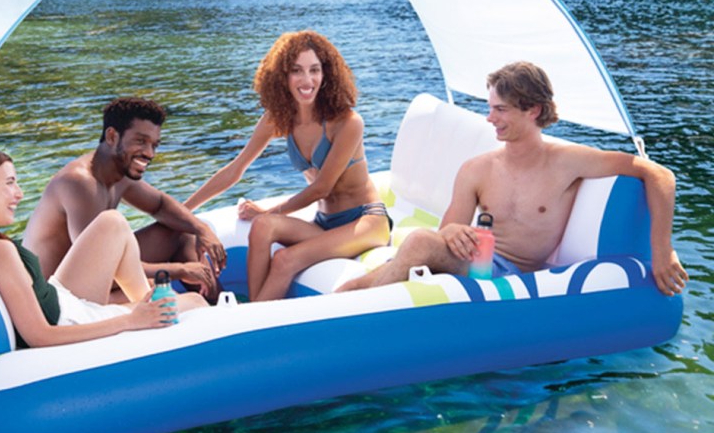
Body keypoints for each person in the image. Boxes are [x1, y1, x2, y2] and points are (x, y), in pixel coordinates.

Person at [337, 61, 688, 297]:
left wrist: (663, 250)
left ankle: (357, 311)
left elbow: (658, 173)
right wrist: (454, 233)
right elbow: (446, 232)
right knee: (392, 261)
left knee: (414, 246)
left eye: (500, 109)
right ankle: (347, 299)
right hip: (473, 260)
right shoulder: (477, 168)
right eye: (490, 108)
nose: (490, 118)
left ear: (532, 110)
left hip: (514, 276)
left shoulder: (568, 162)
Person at [184, 30, 391, 301]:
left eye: (314, 70)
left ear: (326, 74)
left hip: (365, 222)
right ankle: (256, 311)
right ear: (283, 76)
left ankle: (253, 320)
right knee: (262, 227)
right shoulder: (278, 118)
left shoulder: (348, 122)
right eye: (297, 71)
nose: (307, 80)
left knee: (284, 259)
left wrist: (268, 211)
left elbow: (321, 188)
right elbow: (236, 169)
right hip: (323, 223)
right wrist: (183, 212)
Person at [0, 148, 207, 348]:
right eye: (10, 183)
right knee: (196, 301)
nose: (19, 193)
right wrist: (131, 321)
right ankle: (150, 315)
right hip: (69, 318)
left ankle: (149, 305)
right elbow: (40, 336)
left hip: (59, 296)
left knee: (112, 222)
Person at [22, 97, 226, 302]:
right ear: (112, 136)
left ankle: (224, 308)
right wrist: (180, 270)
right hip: (62, 297)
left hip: (95, 275)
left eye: (154, 145)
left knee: (181, 232)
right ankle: (214, 311)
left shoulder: (119, 174)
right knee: (156, 286)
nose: (149, 153)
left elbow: (161, 206)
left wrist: (202, 229)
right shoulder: (79, 183)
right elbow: (96, 265)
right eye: (140, 141)